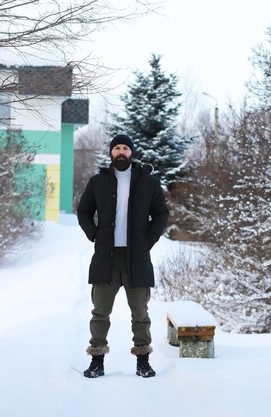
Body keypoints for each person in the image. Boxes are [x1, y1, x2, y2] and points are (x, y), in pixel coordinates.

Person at [77, 133, 169, 378]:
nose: (121, 152)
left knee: (140, 312)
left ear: (132, 153)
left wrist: (147, 240)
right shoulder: (98, 182)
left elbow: (161, 214)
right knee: (100, 311)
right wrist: (94, 234)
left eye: (125, 149)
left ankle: (143, 362)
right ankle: (97, 362)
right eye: (116, 148)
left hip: (136, 259)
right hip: (106, 257)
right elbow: (84, 211)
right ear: (111, 153)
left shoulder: (148, 183)